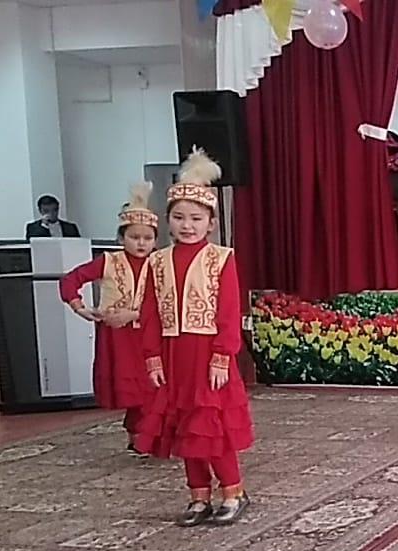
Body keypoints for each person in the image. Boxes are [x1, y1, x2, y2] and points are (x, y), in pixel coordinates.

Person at [135, 148, 255, 527]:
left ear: (211, 223)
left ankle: (233, 490)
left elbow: (229, 311)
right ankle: (198, 495)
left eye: (196, 218)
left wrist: (222, 355)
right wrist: (152, 356)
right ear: (168, 221)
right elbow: (150, 313)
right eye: (180, 218)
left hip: (208, 356)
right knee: (184, 426)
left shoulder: (221, 258)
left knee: (212, 426)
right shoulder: (157, 262)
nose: (188, 225)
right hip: (174, 355)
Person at [59, 183, 158, 456]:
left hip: (149, 333)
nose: (141, 243)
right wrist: (80, 307)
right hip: (118, 338)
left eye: (147, 238)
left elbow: (167, 301)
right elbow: (71, 280)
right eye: (134, 237)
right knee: (133, 388)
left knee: (152, 386)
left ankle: (146, 434)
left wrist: (134, 314)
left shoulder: (159, 265)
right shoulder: (108, 261)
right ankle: (137, 435)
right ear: (121, 238)